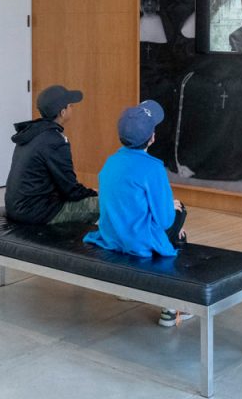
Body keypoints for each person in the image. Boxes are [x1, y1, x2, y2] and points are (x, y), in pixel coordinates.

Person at [82, 100, 191, 327]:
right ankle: (171, 307)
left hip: (111, 236)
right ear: (152, 138)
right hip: (137, 241)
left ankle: (127, 288)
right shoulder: (153, 167)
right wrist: (174, 214)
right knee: (180, 214)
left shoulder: (110, 162)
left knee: (170, 214)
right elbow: (165, 219)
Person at [4, 85, 99, 225]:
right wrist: (93, 193)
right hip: (36, 213)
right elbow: (70, 190)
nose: (72, 108)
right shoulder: (55, 141)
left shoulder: (32, 132)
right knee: (107, 203)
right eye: (71, 106)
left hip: (17, 208)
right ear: (63, 112)